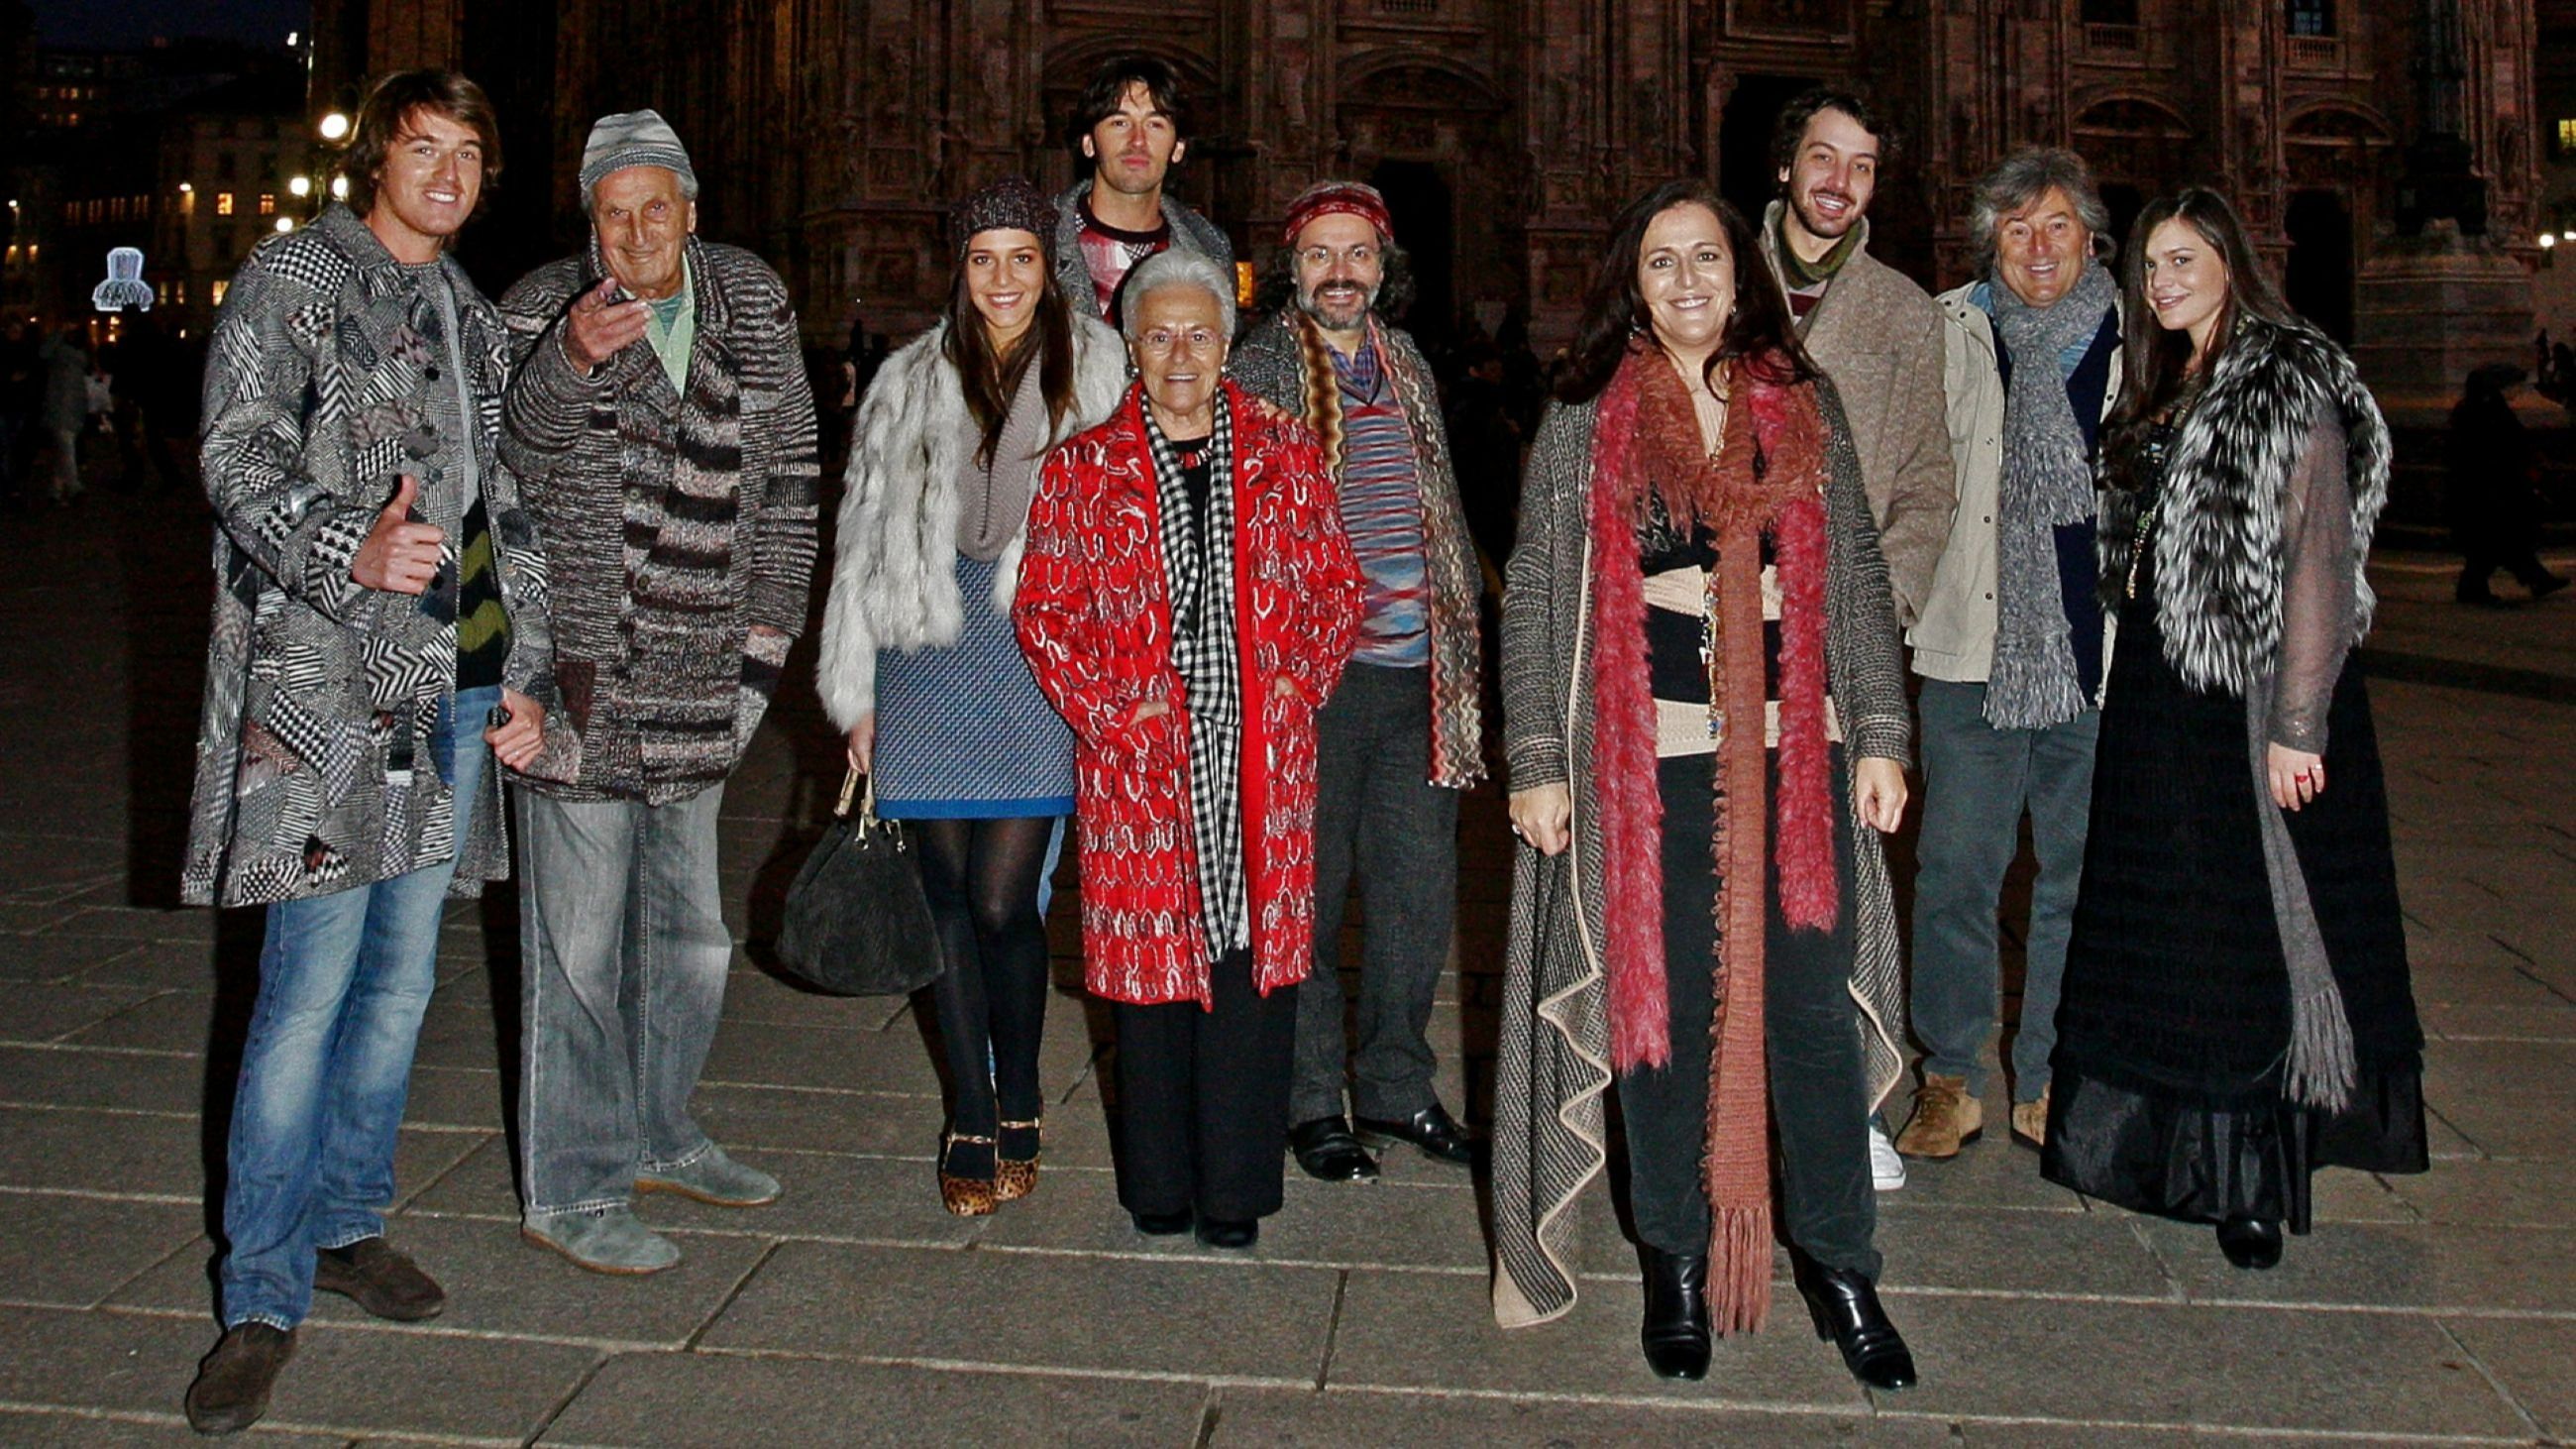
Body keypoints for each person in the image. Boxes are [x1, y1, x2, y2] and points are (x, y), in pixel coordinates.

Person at [1489, 179, 1917, 1392]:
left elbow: (1864, 575)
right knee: (1656, 1020)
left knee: (1812, 1022)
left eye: (1705, 260)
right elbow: (1533, 592)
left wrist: (1878, 730)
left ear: (1742, 276)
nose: (1686, 281)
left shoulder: (1800, 403)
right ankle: (1674, 1256)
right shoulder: (1586, 417)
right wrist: (1535, 759)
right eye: (1661, 262)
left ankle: (1839, 1262)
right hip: (1647, 769)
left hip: (1799, 760)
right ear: (1634, 284)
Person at [178, 69, 558, 1434]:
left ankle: (346, 1221)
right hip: (324, 702)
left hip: (438, 702)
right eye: (423, 148)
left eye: (468, 152)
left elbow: (497, 505)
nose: (447, 174)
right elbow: (233, 451)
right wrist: (351, 542)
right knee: (303, 999)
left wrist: (517, 673)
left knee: (399, 986)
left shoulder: (469, 315)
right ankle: (260, 1291)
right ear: (377, 162)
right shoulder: (293, 279)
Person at [2047, 186, 2427, 1270]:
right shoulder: (2170, 376)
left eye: (2181, 260)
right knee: (2181, 931)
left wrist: (2298, 724)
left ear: (2228, 259)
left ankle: (2254, 1178)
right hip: (2165, 698)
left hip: (2253, 697)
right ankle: (2179, 1155)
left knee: (2253, 930)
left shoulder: (2280, 373)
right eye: (2150, 268)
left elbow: (2317, 556)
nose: (2162, 283)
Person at [494, 109, 818, 1275]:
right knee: (577, 950)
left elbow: (789, 479)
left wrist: (766, 645)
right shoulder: (540, 310)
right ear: (592, 223)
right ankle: (570, 1188)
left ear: (691, 209)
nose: (636, 231)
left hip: (703, 677)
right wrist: (567, 362)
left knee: (690, 937)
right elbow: (504, 476)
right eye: (613, 212)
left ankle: (660, 1132)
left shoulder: (752, 301)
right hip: (578, 678)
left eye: (656, 206)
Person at [1014, 249, 1359, 1251]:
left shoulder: (1287, 452)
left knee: (1250, 974)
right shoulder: (1082, 469)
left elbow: (1335, 591)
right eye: (1157, 334)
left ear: (1226, 345)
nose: (1178, 354)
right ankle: (1157, 1185)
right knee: (1152, 984)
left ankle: (1237, 1191)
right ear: (1130, 346)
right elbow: (1046, 611)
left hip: (1260, 763)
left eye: (1198, 334)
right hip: (1139, 765)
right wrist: (1115, 713)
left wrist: (1297, 680)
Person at [816, 176, 1129, 1215]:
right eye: (983, 259)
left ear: (1051, 270)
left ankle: (1023, 1093)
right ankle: (968, 1109)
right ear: (961, 269)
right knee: (945, 899)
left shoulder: (1099, 371)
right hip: (925, 653)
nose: (1001, 279)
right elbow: (857, 539)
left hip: (1037, 657)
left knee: (1005, 899)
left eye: (1022, 258)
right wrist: (854, 693)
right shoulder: (908, 377)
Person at [1228, 181, 1485, 1183]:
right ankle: (1307, 1097)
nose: (1340, 273)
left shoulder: (1405, 358)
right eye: (1321, 255)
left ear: (1383, 268)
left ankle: (1393, 1083)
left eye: (1358, 255)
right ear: (1290, 270)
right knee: (1307, 891)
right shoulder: (1258, 368)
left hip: (1419, 675)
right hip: (1314, 684)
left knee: (1416, 897)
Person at [1897, 148, 2122, 1163]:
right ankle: (1951, 1074)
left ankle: (2046, 1075)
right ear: (1990, 240)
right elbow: (1904, 473)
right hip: (1968, 645)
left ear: (2090, 238)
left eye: (2057, 227)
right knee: (1954, 872)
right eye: (2016, 229)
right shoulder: (1947, 331)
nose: (2036, 248)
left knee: (2077, 875)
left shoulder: (2136, 342)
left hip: (2098, 657)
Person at [1755, 85, 1957, 1193]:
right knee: (1710, 867)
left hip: (1840, 645)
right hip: (1715, 634)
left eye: (1862, 166)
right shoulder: (1700, 277)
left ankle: (1843, 1096)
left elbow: (1927, 483)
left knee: (1836, 883)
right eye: (1821, 157)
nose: (1838, 181)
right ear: (1785, 165)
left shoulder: (1899, 310)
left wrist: (1884, 613)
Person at [1052, 54, 1233, 328]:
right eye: (1120, 123)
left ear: (1178, 148)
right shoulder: (1040, 238)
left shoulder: (1209, 248)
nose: (1137, 141)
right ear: (1089, 143)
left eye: (1155, 124)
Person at [2447, 363, 2567, 605]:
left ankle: (2535, 578)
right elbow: (2509, 443)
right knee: (2497, 540)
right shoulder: (2487, 410)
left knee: (2502, 540)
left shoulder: (2473, 409)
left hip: (2487, 486)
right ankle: (2477, 587)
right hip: (2492, 488)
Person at [38, 325, 88, 502]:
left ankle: (56, 489)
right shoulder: (69, 356)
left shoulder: (64, 356)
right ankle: (74, 486)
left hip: (65, 406)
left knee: (64, 449)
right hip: (65, 406)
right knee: (66, 447)